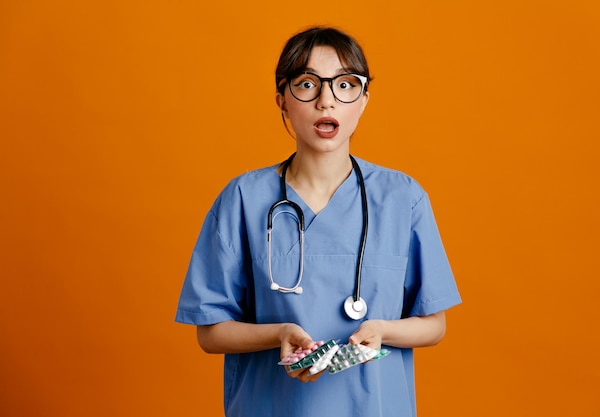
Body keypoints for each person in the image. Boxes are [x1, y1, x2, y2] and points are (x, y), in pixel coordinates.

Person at [175, 26, 461, 417]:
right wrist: (279, 334)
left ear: (362, 100)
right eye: (307, 84)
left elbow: (434, 324)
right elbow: (209, 332)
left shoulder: (402, 198)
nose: (326, 101)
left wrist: (381, 330)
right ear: (282, 101)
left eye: (345, 85)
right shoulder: (243, 198)